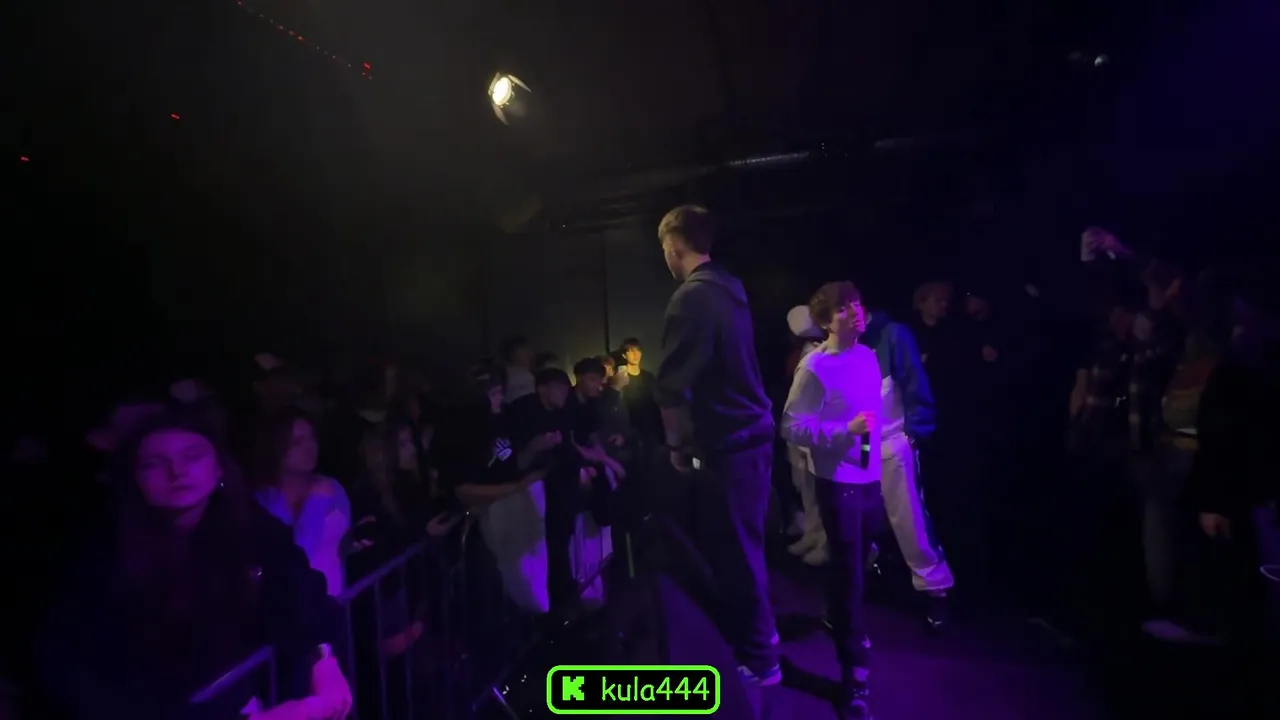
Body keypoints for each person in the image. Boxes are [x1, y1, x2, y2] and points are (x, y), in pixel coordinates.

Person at [30, 408, 350, 720]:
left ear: (218, 468)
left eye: (193, 457)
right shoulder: (99, 549)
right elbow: (82, 668)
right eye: (154, 464)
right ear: (133, 477)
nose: (177, 472)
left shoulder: (247, 522)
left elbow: (297, 586)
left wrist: (322, 659)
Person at [653, 205, 780, 688]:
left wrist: (676, 447)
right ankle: (760, 639)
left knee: (737, 554)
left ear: (672, 247)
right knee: (747, 546)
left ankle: (761, 659)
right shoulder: (730, 288)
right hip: (753, 435)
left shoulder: (690, 299)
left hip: (729, 444)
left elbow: (672, 390)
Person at [781, 281, 882, 720]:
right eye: (843, 308)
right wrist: (845, 432)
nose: (854, 311)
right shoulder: (815, 366)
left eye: (856, 303)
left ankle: (838, 617)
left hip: (870, 477)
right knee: (850, 575)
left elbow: (871, 415)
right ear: (825, 321)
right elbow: (790, 427)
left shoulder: (868, 356)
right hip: (839, 481)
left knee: (859, 563)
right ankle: (854, 676)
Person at [861, 305, 954, 631]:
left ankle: (935, 590)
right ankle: (866, 572)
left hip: (892, 441)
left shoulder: (893, 335)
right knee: (858, 514)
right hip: (859, 443)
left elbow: (915, 385)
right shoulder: (841, 341)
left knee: (909, 517)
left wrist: (913, 435)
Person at [250, 410, 352, 597]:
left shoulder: (333, 488)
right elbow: (297, 558)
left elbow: (342, 548)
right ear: (277, 449)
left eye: (312, 438)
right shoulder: (264, 502)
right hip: (289, 605)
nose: (309, 447)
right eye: (297, 442)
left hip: (336, 602)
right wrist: (315, 503)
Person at [783, 304, 827, 564]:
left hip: (813, 430)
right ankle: (812, 533)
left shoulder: (818, 355)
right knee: (805, 487)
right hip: (798, 430)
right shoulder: (798, 355)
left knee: (817, 488)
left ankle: (824, 541)